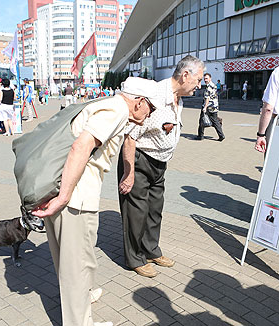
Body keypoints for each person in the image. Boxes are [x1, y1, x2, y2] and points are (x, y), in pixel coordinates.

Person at [31, 77, 161, 326]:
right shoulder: (116, 110)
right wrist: (65, 197)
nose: (150, 114)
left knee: (77, 260)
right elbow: (80, 147)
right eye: (151, 108)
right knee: (75, 268)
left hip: (71, 193)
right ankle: (79, 322)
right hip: (75, 198)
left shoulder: (108, 104)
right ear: (139, 102)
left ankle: (83, 297)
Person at [118, 55, 205, 278]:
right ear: (185, 75)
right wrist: (128, 174)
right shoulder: (155, 95)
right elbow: (129, 137)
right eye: (198, 79)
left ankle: (150, 250)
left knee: (155, 210)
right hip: (138, 160)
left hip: (159, 163)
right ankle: (134, 258)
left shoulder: (178, 98)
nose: (200, 85)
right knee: (136, 212)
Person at [196, 73, 225, 141]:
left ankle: (201, 136)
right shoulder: (213, 85)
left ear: (210, 78)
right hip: (215, 106)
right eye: (204, 78)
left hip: (208, 107)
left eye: (206, 78)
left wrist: (205, 107)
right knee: (215, 121)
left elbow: (207, 98)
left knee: (201, 120)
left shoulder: (208, 87)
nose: (205, 80)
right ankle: (221, 135)